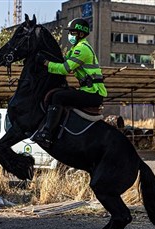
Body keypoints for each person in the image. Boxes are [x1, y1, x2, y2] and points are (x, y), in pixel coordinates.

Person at [32, 18, 107, 148]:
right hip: (88, 91)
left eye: (73, 32)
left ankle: (47, 134)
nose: (70, 35)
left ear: (81, 34)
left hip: (93, 93)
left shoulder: (82, 49)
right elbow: (61, 62)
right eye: (70, 32)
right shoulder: (74, 49)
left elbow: (64, 69)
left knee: (58, 96)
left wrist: (45, 62)